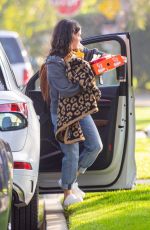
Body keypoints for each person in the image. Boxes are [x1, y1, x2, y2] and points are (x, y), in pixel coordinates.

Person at [40, 19, 103, 207]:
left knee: (95, 146)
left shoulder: (76, 53)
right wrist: (87, 79)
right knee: (72, 153)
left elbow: (92, 54)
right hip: (62, 114)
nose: (81, 37)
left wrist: (101, 58)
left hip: (79, 110)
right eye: (78, 34)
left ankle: (70, 178)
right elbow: (65, 89)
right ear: (69, 36)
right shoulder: (53, 62)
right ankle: (67, 193)